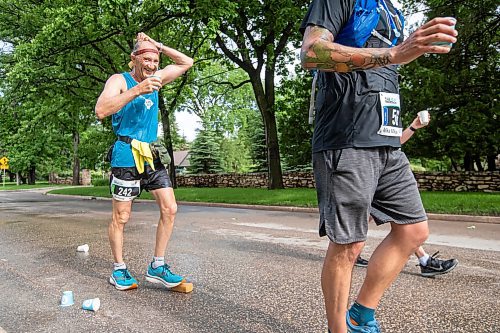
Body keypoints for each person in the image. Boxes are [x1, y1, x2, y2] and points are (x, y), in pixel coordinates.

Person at [300, 0, 457, 331]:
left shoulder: (392, 8)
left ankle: (360, 313)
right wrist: (394, 54)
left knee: (414, 230)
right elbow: (312, 53)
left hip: (386, 140)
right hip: (347, 137)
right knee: (349, 245)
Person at [95, 32, 193, 291]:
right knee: (122, 216)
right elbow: (101, 110)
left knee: (170, 208)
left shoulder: (157, 77)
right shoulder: (120, 80)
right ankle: (119, 270)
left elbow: (186, 62)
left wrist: (158, 44)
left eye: (155, 60)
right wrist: (137, 89)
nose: (152, 65)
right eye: (147, 59)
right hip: (126, 154)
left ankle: (157, 266)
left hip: (151, 154)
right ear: (134, 59)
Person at [355, 114, 459, 278]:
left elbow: (396, 143)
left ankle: (425, 261)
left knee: (400, 223)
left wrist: (413, 127)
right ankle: (349, 252)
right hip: (368, 173)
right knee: (394, 221)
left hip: (382, 174)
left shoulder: (385, 114)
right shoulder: (366, 115)